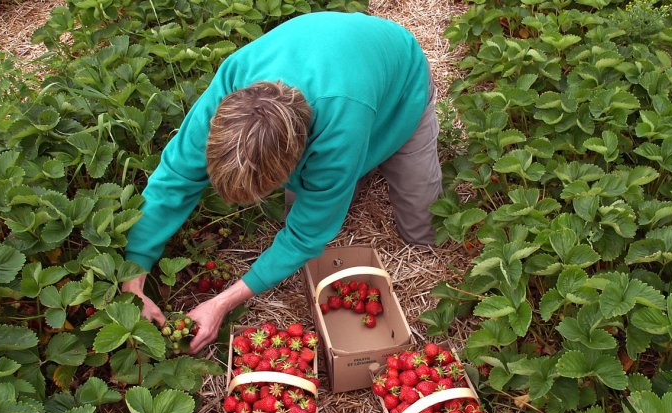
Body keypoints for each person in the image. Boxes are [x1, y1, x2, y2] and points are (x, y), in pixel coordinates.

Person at [121, 11, 442, 354]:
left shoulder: (340, 125)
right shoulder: (232, 88)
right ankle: (351, 172)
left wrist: (223, 302)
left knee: (421, 223)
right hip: (342, 71)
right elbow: (176, 176)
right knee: (322, 195)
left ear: (296, 156)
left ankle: (379, 168)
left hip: (400, 85)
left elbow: (305, 235)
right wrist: (133, 275)